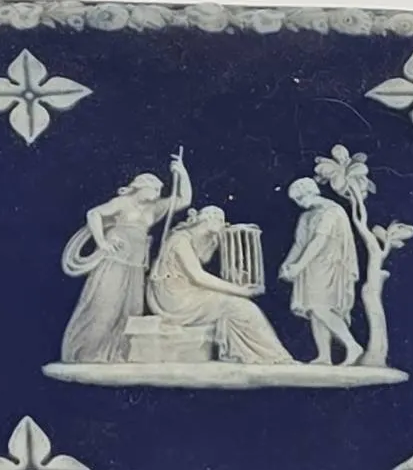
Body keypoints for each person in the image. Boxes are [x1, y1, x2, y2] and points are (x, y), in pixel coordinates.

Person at [60, 153, 192, 362]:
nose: (158, 194)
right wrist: (102, 241)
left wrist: (182, 173)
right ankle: (86, 353)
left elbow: (184, 199)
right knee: (106, 306)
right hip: (116, 260)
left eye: (159, 191)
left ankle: (114, 354)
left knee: (131, 311)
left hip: (136, 264)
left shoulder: (155, 208)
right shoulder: (122, 202)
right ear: (140, 187)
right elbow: (94, 214)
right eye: (154, 189)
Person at [148, 206, 293, 365]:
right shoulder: (179, 240)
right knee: (241, 307)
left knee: (239, 307)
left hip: (187, 291)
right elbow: (198, 276)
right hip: (176, 298)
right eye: (221, 221)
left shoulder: (199, 238)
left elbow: (205, 259)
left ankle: (261, 354)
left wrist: (215, 241)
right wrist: (239, 291)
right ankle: (274, 356)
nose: (224, 225)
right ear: (209, 219)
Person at [279, 178, 363, 365]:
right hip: (311, 267)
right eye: (296, 200)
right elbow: (300, 244)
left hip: (329, 266)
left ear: (310, 192)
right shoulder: (306, 216)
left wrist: (298, 266)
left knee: (321, 307)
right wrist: (288, 264)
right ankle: (324, 355)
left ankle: (352, 345)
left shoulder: (332, 212)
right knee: (313, 311)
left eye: (300, 198)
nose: (299, 203)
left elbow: (319, 241)